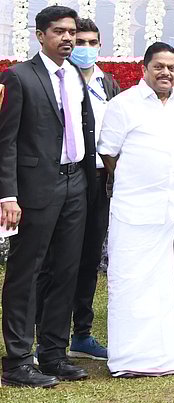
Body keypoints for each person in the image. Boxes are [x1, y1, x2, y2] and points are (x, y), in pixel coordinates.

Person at [98, 43, 174, 377]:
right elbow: (108, 153)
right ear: (144, 69)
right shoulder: (123, 105)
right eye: (159, 67)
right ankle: (133, 360)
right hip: (135, 210)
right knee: (134, 284)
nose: (166, 73)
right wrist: (136, 179)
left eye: (172, 68)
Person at [0, 6, 95, 387]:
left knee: (66, 271)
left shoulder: (75, 76)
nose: (68, 39)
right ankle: (18, 361)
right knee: (27, 272)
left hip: (76, 184)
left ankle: (54, 354)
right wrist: (7, 195)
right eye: (59, 31)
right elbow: (5, 142)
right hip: (35, 187)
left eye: (72, 32)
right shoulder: (19, 77)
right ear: (40, 35)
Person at [51, 19, 120, 362]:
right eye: (80, 40)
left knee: (90, 257)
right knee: (62, 258)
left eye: (92, 41)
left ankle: (82, 334)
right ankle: (49, 335)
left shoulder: (108, 82)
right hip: (69, 176)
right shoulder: (61, 78)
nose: (86, 47)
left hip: (100, 180)